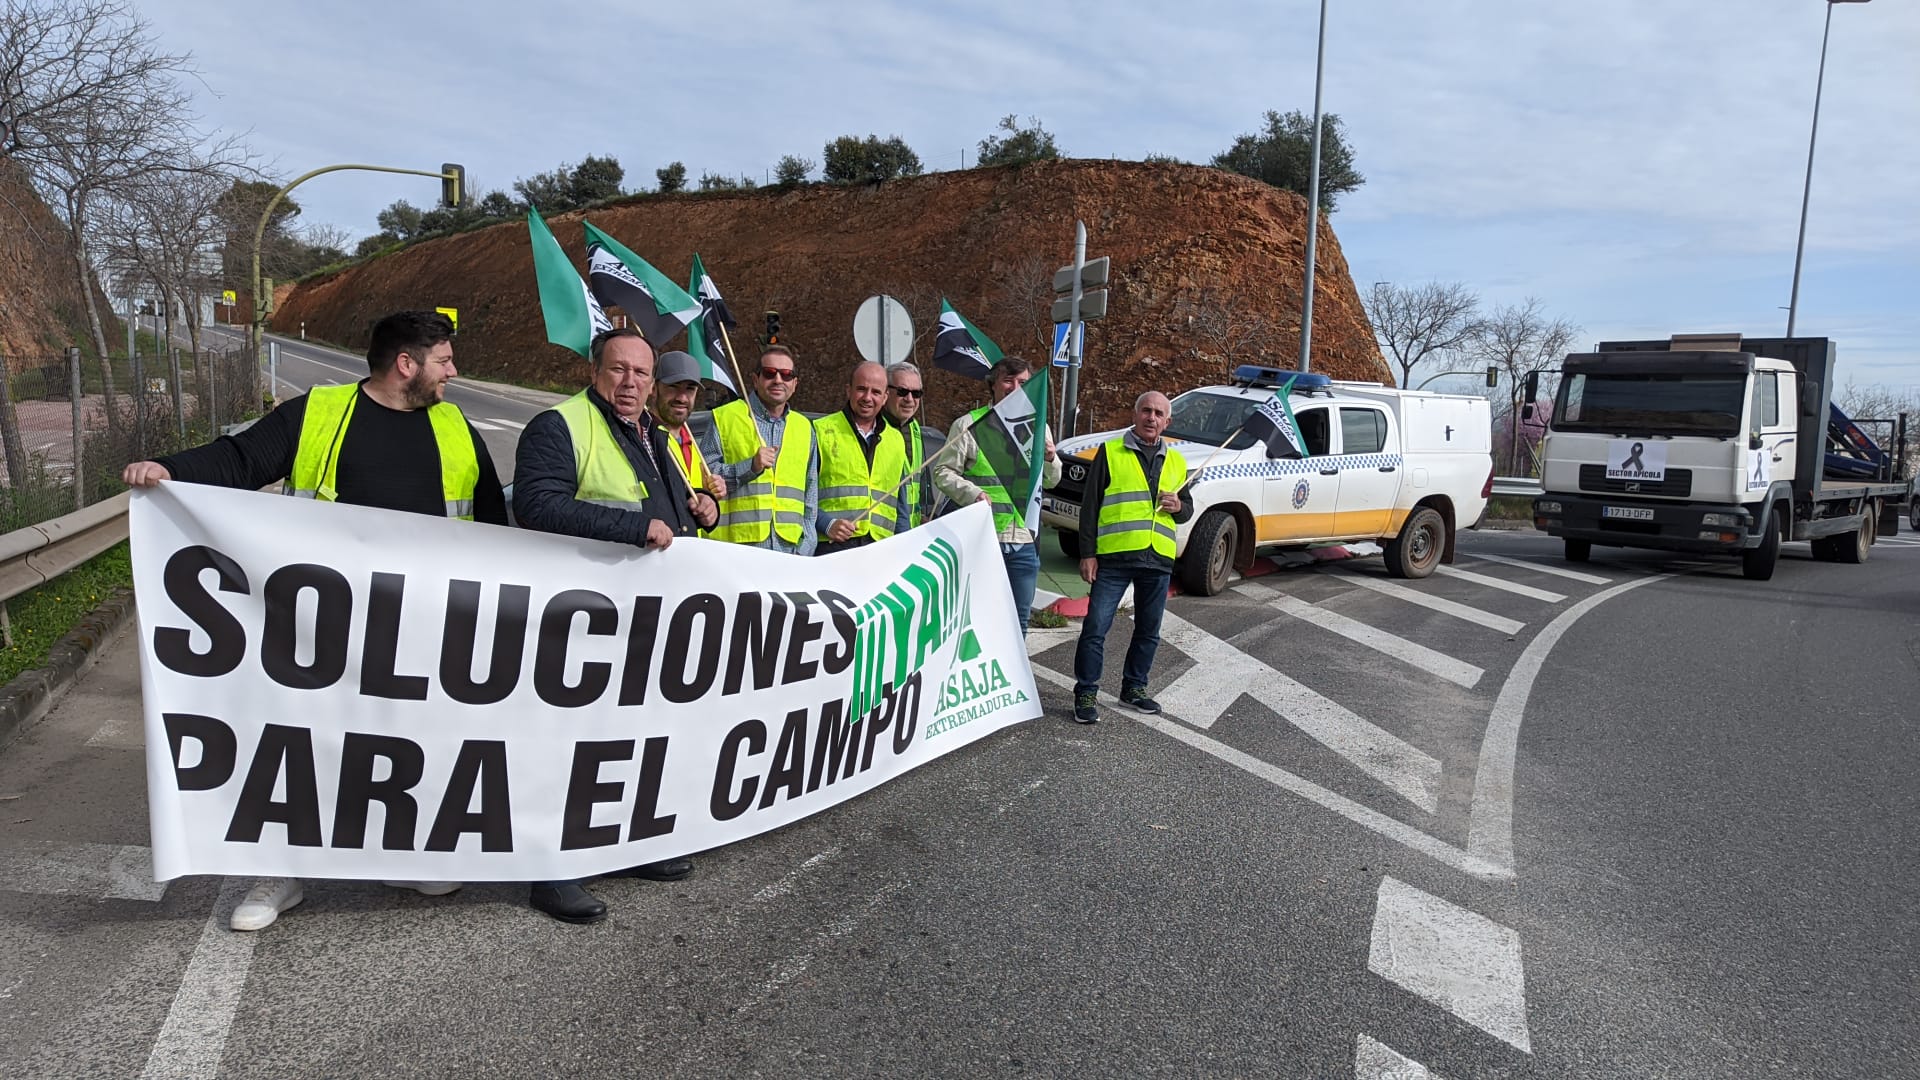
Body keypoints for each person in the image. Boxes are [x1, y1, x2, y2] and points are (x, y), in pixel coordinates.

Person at [120, 309, 504, 931]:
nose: (453, 372)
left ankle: (402, 854)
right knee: (298, 743)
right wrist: (169, 469)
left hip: (422, 622)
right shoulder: (320, 414)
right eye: (444, 361)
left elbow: (490, 521)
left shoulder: (455, 425)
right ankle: (279, 871)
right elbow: (241, 460)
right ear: (406, 364)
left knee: (409, 742)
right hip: (320, 623)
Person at [512, 326, 715, 924]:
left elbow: (671, 510)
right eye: (619, 371)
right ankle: (550, 869)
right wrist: (632, 530)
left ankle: (625, 843)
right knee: (567, 746)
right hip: (578, 619)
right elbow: (538, 504)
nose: (631, 383)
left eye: (642, 374)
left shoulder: (653, 433)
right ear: (594, 373)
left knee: (630, 740)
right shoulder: (560, 426)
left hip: (641, 620)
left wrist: (706, 507)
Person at [1070, 391, 1192, 724]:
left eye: (1159, 414)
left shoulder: (1178, 462)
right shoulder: (1110, 452)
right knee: (1095, 627)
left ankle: (1134, 689)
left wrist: (1179, 507)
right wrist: (1087, 554)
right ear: (1135, 414)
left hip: (1157, 559)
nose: (1151, 418)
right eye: (1146, 411)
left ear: (1168, 422)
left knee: (1149, 630)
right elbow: (1090, 507)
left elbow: (1187, 510)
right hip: (1114, 558)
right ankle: (1086, 692)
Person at [932, 357, 1061, 636]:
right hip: (983, 538)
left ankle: (1015, 680)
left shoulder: (1038, 427)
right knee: (974, 620)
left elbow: (1052, 479)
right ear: (993, 385)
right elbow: (942, 471)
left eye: (1023, 383)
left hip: (1024, 542)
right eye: (1008, 380)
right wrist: (972, 493)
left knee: (1018, 623)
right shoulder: (969, 424)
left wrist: (1051, 459)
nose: (1015, 388)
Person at [698, 344, 818, 555]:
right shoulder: (725, 418)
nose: (778, 380)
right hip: (736, 553)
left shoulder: (804, 428)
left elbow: (810, 495)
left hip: (789, 553)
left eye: (787, 375)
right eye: (770, 373)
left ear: (795, 383)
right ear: (755, 379)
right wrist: (750, 467)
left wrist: (806, 548)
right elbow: (704, 478)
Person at [814, 361, 910, 555]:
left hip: (881, 552)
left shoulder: (896, 440)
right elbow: (801, 497)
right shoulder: (820, 430)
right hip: (832, 548)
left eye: (875, 392)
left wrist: (905, 550)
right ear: (848, 390)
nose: (867, 397)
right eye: (861, 389)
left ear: (885, 398)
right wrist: (826, 524)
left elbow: (900, 507)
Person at [648, 350, 727, 509]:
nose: (682, 397)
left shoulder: (692, 442)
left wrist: (707, 494)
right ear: (654, 388)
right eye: (673, 387)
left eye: (690, 389)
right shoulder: (642, 438)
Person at [881, 360, 946, 529]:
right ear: (886, 392)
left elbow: (917, 486)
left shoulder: (915, 428)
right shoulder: (874, 428)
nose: (910, 399)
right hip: (880, 533)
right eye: (902, 392)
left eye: (916, 393)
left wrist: (920, 518)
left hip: (908, 533)